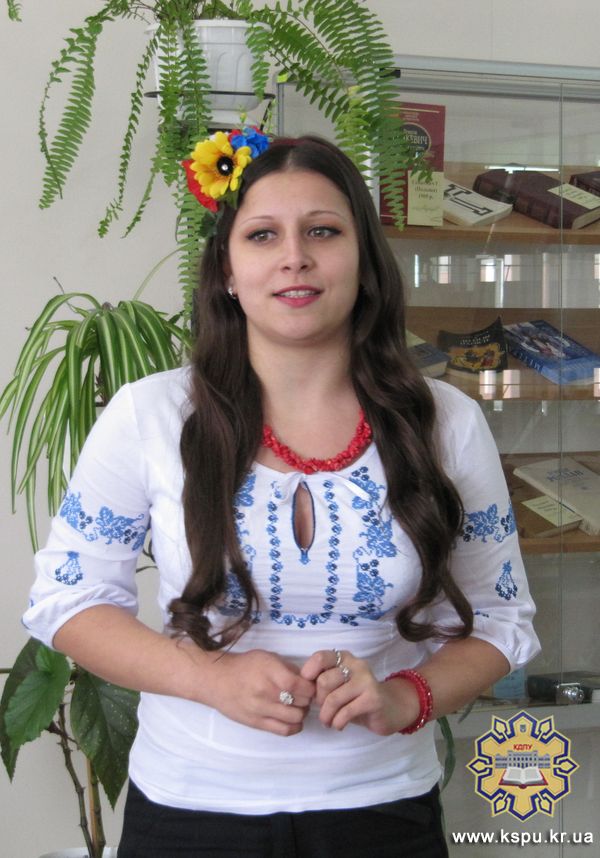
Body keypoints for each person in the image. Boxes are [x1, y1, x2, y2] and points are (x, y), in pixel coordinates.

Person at [23, 130, 540, 858]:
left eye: (323, 231)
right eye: (263, 235)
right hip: (189, 813)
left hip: (383, 814)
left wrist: (404, 697)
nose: (294, 256)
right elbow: (67, 600)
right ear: (228, 270)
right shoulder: (150, 414)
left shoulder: (445, 422)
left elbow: (501, 618)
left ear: (365, 263)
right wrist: (209, 678)